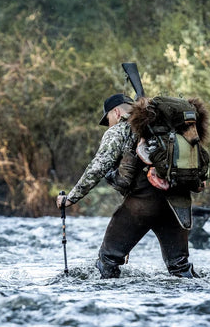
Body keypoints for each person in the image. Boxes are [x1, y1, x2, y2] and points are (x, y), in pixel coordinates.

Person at [57, 93, 199, 279]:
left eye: (107, 119)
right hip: (177, 203)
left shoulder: (120, 130)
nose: (108, 124)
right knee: (180, 267)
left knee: (107, 261)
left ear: (116, 112)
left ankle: (112, 305)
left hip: (143, 204)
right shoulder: (165, 129)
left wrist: (71, 198)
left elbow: (98, 167)